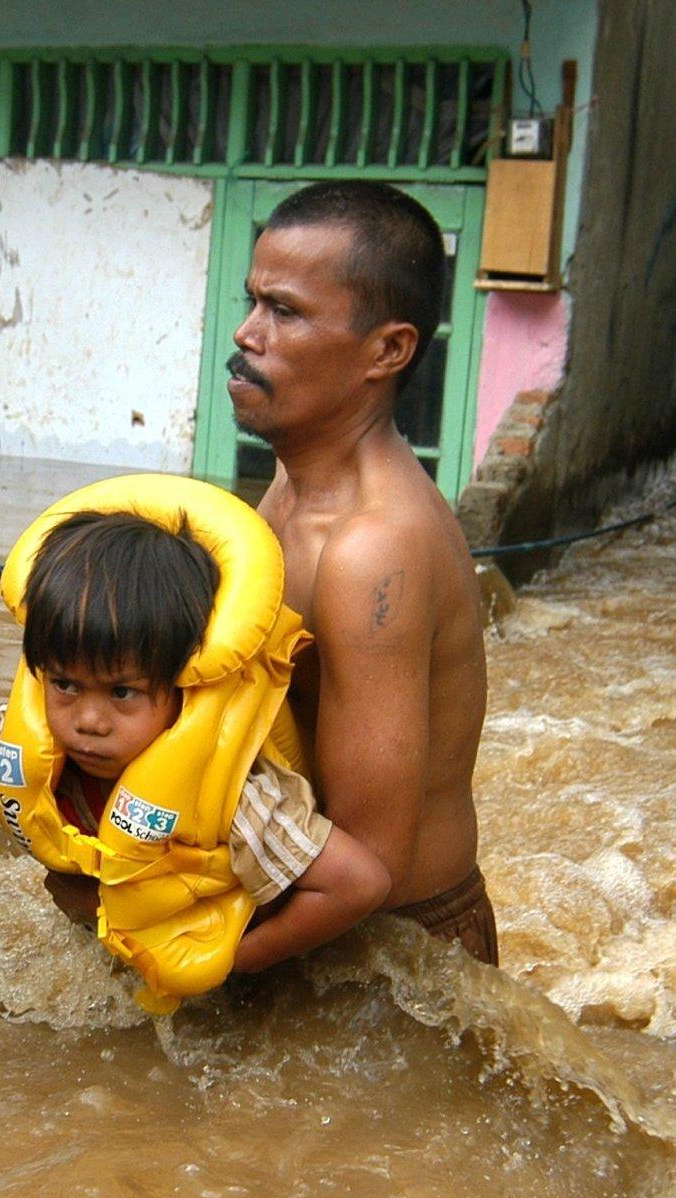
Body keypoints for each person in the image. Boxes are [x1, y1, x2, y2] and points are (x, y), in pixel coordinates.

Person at [0, 476, 389, 1013]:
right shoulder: (32, 740)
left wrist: (235, 963)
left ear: (181, 685)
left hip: (241, 978)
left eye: (122, 693)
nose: (87, 720)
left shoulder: (236, 799)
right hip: (135, 942)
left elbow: (358, 883)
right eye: (65, 684)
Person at [226, 180, 495, 963]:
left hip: (393, 958)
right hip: (314, 922)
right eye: (252, 303)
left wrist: (193, 965)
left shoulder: (370, 550)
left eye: (284, 311)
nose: (247, 333)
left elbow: (366, 868)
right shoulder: (293, 484)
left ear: (388, 350)